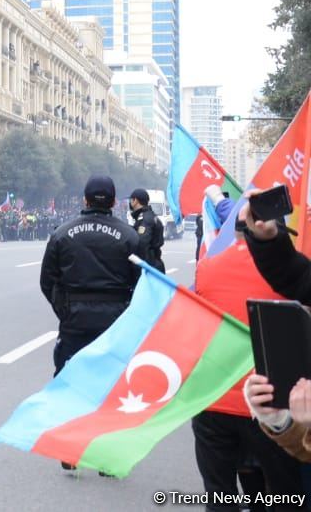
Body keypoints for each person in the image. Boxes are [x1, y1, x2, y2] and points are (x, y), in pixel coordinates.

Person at [190, 188, 303, 507]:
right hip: (270, 403)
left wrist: (212, 192)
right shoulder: (288, 275)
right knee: (283, 496)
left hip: (212, 399)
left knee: (219, 493)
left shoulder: (207, 268)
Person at [39, 176, 141, 471]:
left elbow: (48, 281)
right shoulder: (129, 236)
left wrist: (66, 311)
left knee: (71, 384)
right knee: (112, 388)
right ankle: (106, 457)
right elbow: (143, 282)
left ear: (85, 199)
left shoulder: (62, 233)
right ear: (112, 202)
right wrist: (127, 313)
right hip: (116, 323)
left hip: (74, 323)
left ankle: (70, 451)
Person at [127, 188, 165, 272]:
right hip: (154, 264)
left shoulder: (145, 219)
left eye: (131, 200)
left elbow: (141, 244)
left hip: (148, 267)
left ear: (135, 200)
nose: (130, 202)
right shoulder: (151, 216)